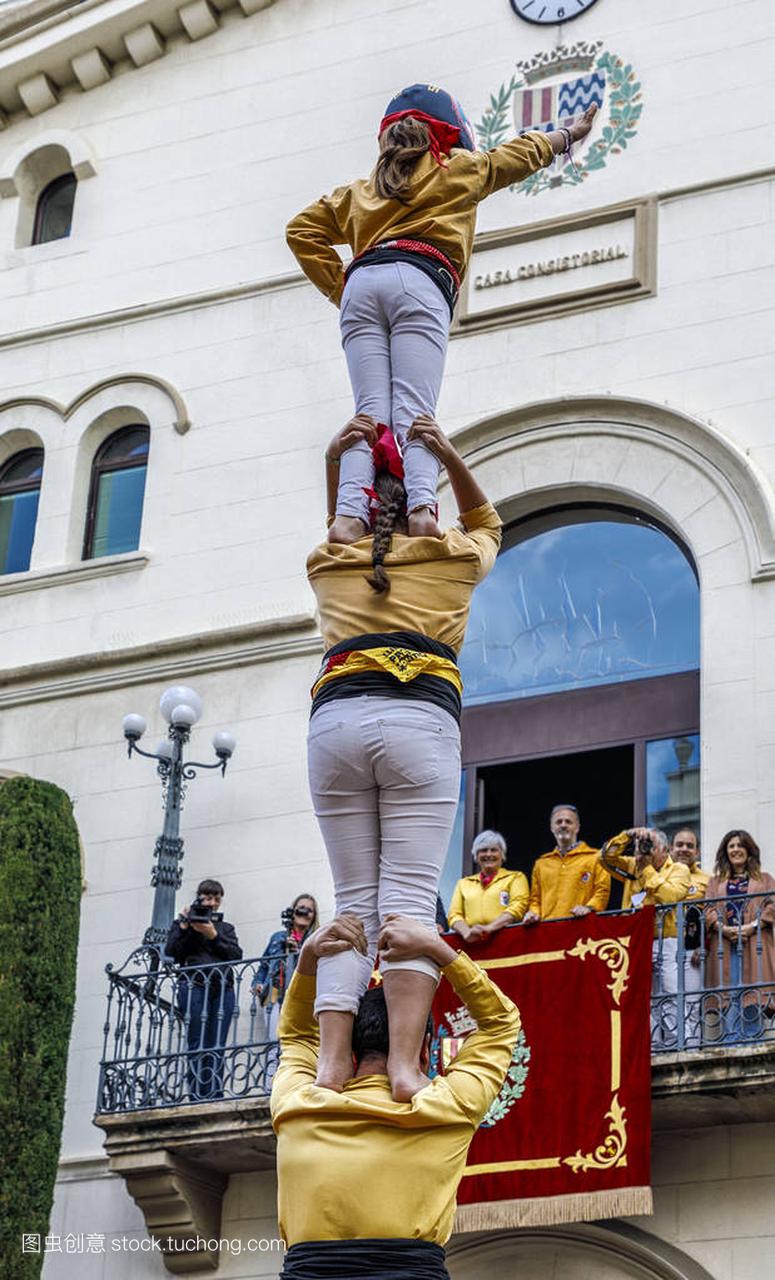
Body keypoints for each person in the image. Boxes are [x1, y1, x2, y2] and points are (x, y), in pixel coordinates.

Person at [287, 84, 598, 544]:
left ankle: (349, 517)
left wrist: (344, 287)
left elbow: (301, 230)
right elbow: (517, 156)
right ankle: (420, 512)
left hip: (363, 285)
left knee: (369, 412)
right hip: (421, 277)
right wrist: (567, 135)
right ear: (449, 136)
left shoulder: (357, 193)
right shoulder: (461, 169)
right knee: (415, 410)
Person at [306, 414, 501, 1099]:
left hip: (335, 720)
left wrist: (340, 468)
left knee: (352, 904)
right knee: (408, 904)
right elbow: (488, 521)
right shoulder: (454, 559)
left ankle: (330, 1064)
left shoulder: (328, 565)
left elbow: (341, 531)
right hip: (418, 718)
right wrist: (444, 456)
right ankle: (402, 1063)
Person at [271, 914, 520, 1280]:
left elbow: (297, 1036)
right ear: (425, 1053)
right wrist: (438, 949)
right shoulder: (449, 1106)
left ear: (348, 1053)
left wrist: (308, 957)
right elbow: (501, 1024)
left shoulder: (298, 1104)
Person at [600, 828, 691, 1047]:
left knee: (670, 993)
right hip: (636, 942)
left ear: (665, 850)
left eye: (650, 846)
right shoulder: (633, 865)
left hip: (665, 940)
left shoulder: (678, 869)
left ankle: (684, 1043)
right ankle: (654, 1047)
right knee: (641, 997)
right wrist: (628, 836)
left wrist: (647, 869)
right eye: (643, 847)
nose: (645, 851)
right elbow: (604, 858)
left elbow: (669, 897)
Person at [165, 879, 243, 1100]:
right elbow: (172, 952)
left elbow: (236, 955)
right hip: (194, 986)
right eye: (208, 898)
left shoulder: (225, 928)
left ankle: (214, 1093)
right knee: (196, 1041)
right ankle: (197, 1094)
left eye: (217, 899)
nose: (212, 903)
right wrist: (183, 926)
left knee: (216, 1043)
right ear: (199, 897)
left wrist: (213, 936)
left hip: (222, 989)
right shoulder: (184, 925)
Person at [704, 831, 775, 1042]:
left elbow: (772, 906)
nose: (735, 850)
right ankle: (730, 1042)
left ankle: (752, 1041)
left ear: (749, 850)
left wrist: (752, 926)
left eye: (740, 845)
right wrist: (724, 929)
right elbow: (707, 910)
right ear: (726, 852)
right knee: (729, 993)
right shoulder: (715, 883)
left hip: (755, 943)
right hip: (725, 945)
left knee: (753, 994)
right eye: (731, 846)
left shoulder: (764, 879)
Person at [254, 894, 319, 1083]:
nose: (304, 913)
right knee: (273, 1043)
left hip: (301, 997)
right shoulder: (278, 938)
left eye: (309, 910)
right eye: (301, 908)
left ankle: (294, 1085)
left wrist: (298, 951)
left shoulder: (314, 939)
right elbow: (264, 966)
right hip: (275, 994)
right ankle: (270, 1088)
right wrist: (257, 984)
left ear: (314, 916)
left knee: (297, 1044)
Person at [523, 804, 610, 924]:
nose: (563, 825)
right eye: (558, 822)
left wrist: (588, 908)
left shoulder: (595, 858)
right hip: (547, 931)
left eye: (568, 822)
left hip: (580, 929)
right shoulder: (541, 864)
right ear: (552, 828)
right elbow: (535, 899)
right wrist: (534, 913)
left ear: (577, 827)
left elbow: (602, 891)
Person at [448, 829, 529, 943]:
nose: (488, 854)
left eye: (494, 850)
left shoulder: (515, 878)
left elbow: (518, 907)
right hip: (471, 943)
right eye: (483, 850)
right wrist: (467, 933)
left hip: (507, 942)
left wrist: (489, 928)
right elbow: (454, 915)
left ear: (502, 854)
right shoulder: (463, 883)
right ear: (476, 855)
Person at [670, 828, 708, 1042]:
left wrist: (704, 944)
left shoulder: (706, 880)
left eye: (689, 846)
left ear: (698, 852)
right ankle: (663, 1050)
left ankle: (691, 1047)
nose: (684, 849)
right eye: (680, 844)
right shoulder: (660, 874)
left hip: (691, 951)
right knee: (662, 1004)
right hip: (662, 948)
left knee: (692, 1004)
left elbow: (712, 916)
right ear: (670, 848)